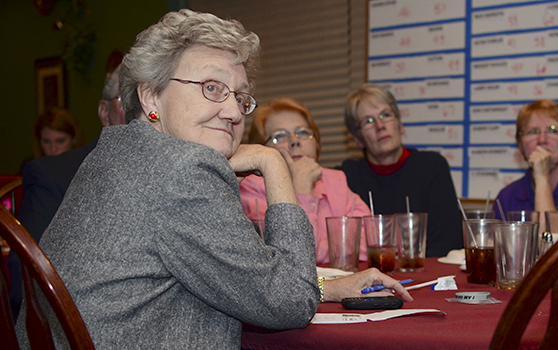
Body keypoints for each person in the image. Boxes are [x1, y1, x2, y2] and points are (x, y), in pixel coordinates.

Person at [15, 10, 412, 349]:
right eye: (211, 88)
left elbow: (230, 276)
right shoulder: (182, 171)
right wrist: (273, 163)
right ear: (151, 96)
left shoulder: (115, 156)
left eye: (240, 97)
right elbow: (290, 304)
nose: (233, 112)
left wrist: (327, 287)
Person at [8, 52, 128, 322]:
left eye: (150, 102)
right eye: (126, 100)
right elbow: (26, 282)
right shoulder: (53, 175)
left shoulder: (178, 176)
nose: (139, 112)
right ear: (104, 113)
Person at [240, 97, 371, 264]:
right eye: (279, 136)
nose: (295, 141)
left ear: (316, 143)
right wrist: (302, 187)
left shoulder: (334, 180)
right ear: (261, 150)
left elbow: (370, 241)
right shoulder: (250, 188)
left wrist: (321, 249)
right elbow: (292, 257)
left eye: (302, 132)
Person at [338, 83, 463, 257]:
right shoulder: (346, 177)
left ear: (400, 124)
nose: (380, 126)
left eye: (386, 115)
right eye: (369, 121)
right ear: (358, 139)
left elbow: (448, 244)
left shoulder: (432, 167)